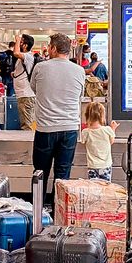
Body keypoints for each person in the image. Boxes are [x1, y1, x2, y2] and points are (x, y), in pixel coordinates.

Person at [30, 33, 86, 196]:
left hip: (45, 128)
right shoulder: (79, 70)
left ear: (53, 48)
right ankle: (59, 210)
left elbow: (34, 89)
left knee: (40, 172)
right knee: (63, 175)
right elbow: (80, 95)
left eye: (49, 46)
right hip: (69, 128)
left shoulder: (40, 67)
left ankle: (37, 208)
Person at [79, 102, 117, 181]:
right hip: (105, 165)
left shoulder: (85, 132)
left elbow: (83, 142)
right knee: (105, 186)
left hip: (92, 165)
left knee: (93, 186)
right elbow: (111, 141)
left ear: (87, 116)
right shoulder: (107, 130)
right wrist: (113, 128)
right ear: (102, 116)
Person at [11, 34, 36, 130]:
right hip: (22, 95)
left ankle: (27, 139)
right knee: (24, 123)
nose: (18, 45)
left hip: (26, 95)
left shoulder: (28, 56)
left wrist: (17, 40)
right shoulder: (23, 58)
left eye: (21, 43)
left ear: (25, 45)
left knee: (27, 125)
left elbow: (16, 53)